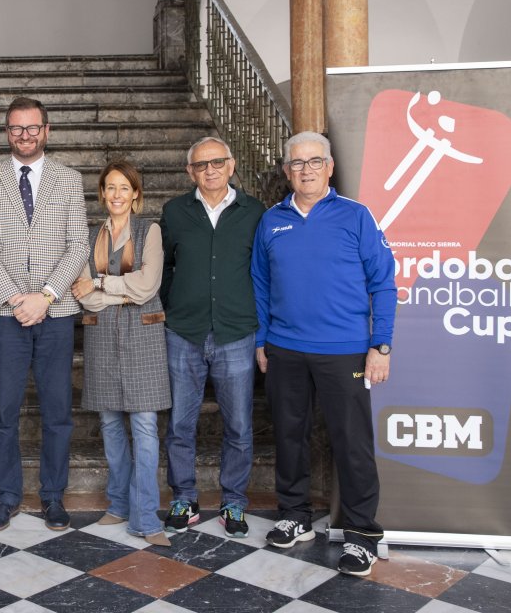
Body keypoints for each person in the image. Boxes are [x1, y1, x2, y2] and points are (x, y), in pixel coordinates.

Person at [251, 131, 396, 577]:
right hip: (285, 350)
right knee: (290, 437)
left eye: (315, 161)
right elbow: (260, 283)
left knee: (351, 443)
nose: (306, 169)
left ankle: (361, 536)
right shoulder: (271, 220)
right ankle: (295, 516)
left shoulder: (356, 216)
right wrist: (262, 340)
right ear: (286, 171)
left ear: (330, 167)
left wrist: (381, 345)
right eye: (297, 163)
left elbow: (383, 282)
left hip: (345, 352)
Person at [0, 96, 89, 532]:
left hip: (56, 313)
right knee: (4, 410)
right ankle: (6, 496)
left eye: (32, 127)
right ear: (7, 132)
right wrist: (16, 299)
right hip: (4, 315)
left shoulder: (69, 179)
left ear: (47, 130)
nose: (25, 135)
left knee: (57, 411)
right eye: (17, 128)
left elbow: (78, 245)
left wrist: (46, 295)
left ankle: (53, 497)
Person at [159, 136, 264, 538]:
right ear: (190, 172)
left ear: (232, 165)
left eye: (217, 162)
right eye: (201, 165)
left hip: (236, 332)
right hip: (184, 331)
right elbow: (165, 268)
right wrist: (173, 308)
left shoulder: (254, 212)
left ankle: (233, 502)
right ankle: (184, 498)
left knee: (238, 425)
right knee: (180, 425)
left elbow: (263, 272)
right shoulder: (175, 211)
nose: (210, 170)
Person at [71, 161, 169, 547]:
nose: (116, 195)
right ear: (102, 194)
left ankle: (146, 517)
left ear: (135, 194)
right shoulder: (88, 235)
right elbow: (85, 297)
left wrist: (100, 282)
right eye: (110, 188)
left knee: (144, 428)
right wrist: (116, 290)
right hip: (101, 337)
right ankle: (119, 503)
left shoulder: (150, 230)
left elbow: (147, 286)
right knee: (111, 425)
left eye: (124, 188)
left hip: (143, 336)